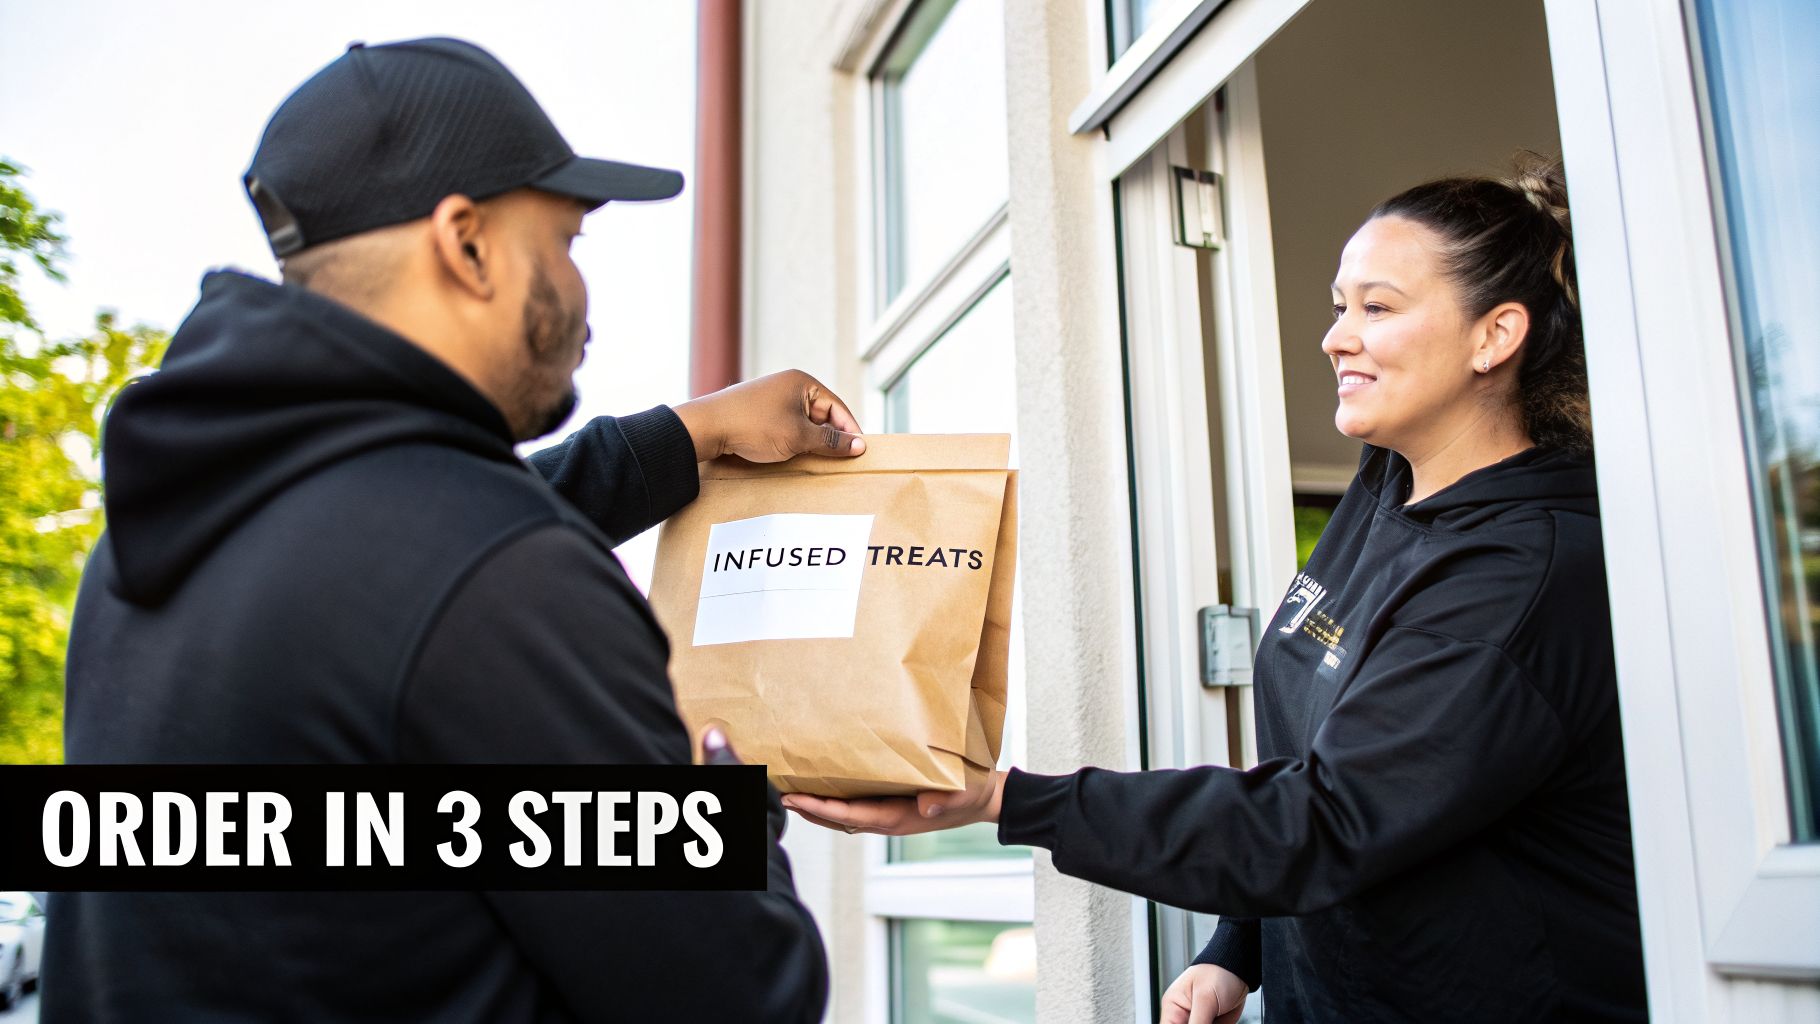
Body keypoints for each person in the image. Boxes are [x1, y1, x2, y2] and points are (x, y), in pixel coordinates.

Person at [47, 38, 854, 1023]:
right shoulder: (497, 581)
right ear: (464, 241)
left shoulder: (151, 543)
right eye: (565, 241)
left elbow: (393, 562)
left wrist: (689, 435)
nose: (580, 288)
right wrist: (725, 812)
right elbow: (747, 998)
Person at [787, 155, 1649, 1023]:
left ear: (1494, 337)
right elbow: (1323, 766)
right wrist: (1241, 946)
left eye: (1377, 308)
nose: (1336, 336)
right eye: (1339, 305)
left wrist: (1010, 800)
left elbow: (1326, 821)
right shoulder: (1390, 482)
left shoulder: (1522, 578)